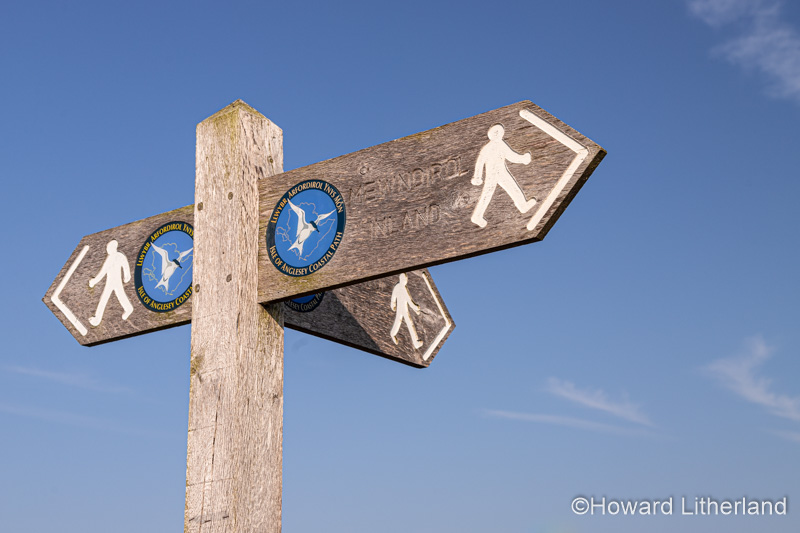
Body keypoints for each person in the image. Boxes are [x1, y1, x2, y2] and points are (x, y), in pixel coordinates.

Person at [471, 124, 537, 228]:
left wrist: (523, 159)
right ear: (490, 134)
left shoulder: (501, 144)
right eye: (495, 132)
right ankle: (477, 216)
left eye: (499, 131)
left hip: (502, 172)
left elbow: (511, 156)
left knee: (513, 187)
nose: (497, 134)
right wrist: (477, 177)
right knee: (487, 194)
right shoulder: (487, 148)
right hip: (492, 174)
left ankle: (523, 205)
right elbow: (480, 162)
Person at [88, 240, 133, 326]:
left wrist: (93, 282)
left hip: (112, 282)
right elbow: (126, 266)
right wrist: (127, 276)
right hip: (114, 281)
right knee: (120, 296)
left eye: (108, 248)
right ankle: (129, 308)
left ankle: (97, 319)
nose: (107, 250)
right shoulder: (120, 256)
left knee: (104, 299)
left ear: (112, 248)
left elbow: (102, 273)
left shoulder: (112, 258)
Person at [390, 273, 423, 349]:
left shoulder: (399, 287)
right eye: (404, 279)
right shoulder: (400, 287)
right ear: (401, 279)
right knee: (406, 323)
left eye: (406, 279)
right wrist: (416, 307)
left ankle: (393, 334)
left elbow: (408, 300)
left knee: (401, 322)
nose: (405, 281)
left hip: (403, 309)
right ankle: (415, 342)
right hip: (402, 309)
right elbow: (409, 301)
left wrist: (415, 309)